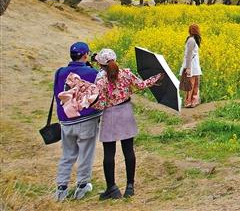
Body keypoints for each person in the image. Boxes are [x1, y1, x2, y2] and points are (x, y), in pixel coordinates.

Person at [92, 48, 162, 199]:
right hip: (126, 112)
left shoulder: (100, 80)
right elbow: (142, 85)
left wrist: (88, 103)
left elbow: (101, 103)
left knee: (109, 153)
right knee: (128, 150)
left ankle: (112, 188)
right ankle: (130, 186)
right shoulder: (126, 73)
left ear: (100, 64)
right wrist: (156, 77)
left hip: (110, 115)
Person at [52, 42, 103, 201]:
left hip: (66, 121)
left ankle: (61, 188)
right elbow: (98, 95)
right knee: (86, 153)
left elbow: (57, 93)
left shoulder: (60, 72)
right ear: (86, 55)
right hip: (87, 119)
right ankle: (82, 186)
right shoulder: (93, 73)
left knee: (67, 155)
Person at [180, 24, 202, 108]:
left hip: (194, 66)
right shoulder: (192, 40)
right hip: (191, 66)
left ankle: (193, 101)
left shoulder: (193, 40)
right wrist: (188, 68)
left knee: (195, 83)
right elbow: (188, 55)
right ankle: (188, 102)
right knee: (191, 84)